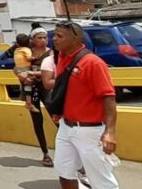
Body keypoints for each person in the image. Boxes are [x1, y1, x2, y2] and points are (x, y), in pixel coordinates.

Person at [51, 22, 118, 189]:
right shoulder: (62, 58)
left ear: (76, 39)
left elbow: (108, 98)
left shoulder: (93, 63)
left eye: (60, 36)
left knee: (101, 180)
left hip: (90, 131)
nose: (54, 39)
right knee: (64, 171)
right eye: (55, 35)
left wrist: (109, 132)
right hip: (66, 127)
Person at [26, 29, 54, 167]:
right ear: (33, 39)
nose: (43, 40)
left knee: (57, 119)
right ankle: (45, 153)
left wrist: (32, 73)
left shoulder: (51, 53)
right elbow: (19, 68)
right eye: (40, 37)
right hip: (31, 90)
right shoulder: (27, 53)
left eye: (45, 37)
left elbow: (52, 70)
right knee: (37, 121)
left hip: (47, 88)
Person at [13, 34, 36, 112]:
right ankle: (29, 103)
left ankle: (26, 101)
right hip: (24, 69)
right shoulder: (26, 50)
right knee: (28, 84)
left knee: (24, 85)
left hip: (18, 69)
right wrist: (36, 57)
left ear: (17, 43)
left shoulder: (16, 50)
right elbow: (29, 58)